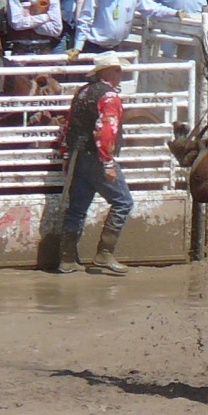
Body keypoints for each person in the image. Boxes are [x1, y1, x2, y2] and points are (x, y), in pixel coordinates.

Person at [58, 51, 134, 274]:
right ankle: (104, 253)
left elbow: (68, 125)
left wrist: (66, 154)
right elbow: (106, 130)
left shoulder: (82, 92)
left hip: (78, 156)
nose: (120, 73)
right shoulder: (109, 96)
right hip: (96, 157)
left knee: (77, 209)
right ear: (109, 71)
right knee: (123, 202)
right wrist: (107, 162)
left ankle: (67, 259)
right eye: (118, 69)